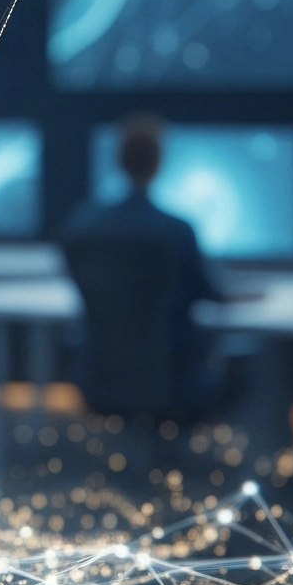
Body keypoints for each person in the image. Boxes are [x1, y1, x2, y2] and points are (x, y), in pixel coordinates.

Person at [59, 113, 227, 415]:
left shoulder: (82, 227)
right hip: (170, 377)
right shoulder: (176, 231)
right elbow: (208, 293)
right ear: (159, 162)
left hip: (98, 376)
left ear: (118, 160)